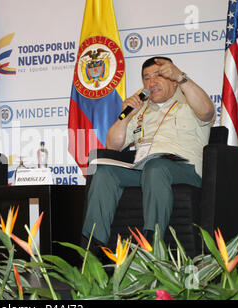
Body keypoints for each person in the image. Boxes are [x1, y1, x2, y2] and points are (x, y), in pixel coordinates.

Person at [82, 56, 216, 247]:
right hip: (145, 169)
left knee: (156, 167)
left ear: (172, 80)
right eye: (146, 78)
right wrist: (125, 116)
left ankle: (152, 245)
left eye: (158, 75)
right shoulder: (141, 111)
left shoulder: (189, 103)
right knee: (104, 172)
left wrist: (181, 77)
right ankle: (93, 246)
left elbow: (207, 112)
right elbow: (112, 146)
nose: (151, 82)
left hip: (185, 170)